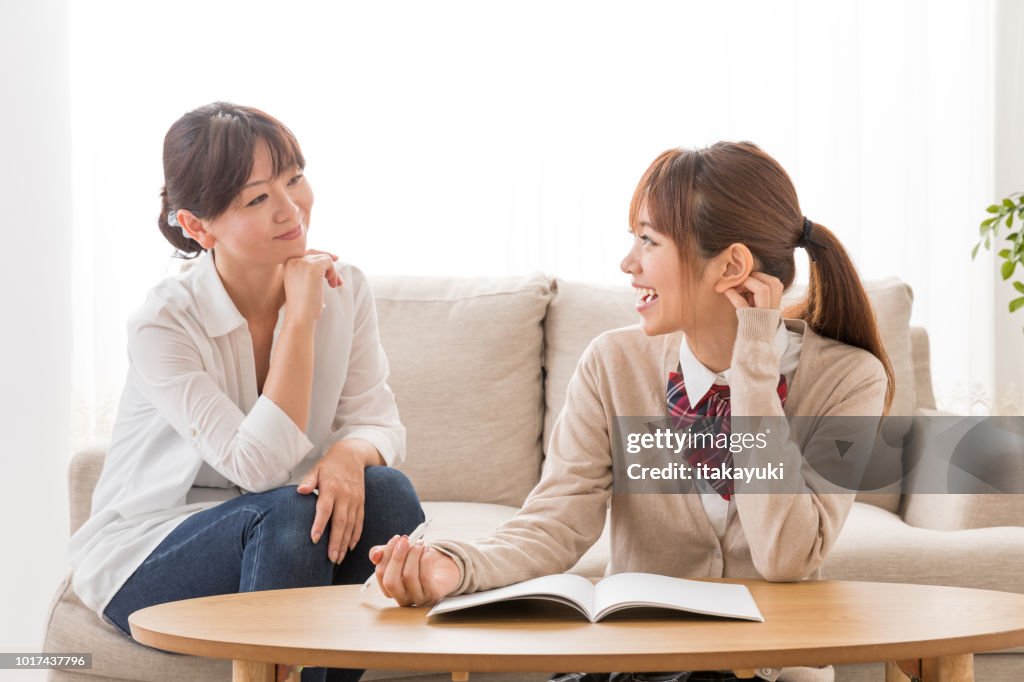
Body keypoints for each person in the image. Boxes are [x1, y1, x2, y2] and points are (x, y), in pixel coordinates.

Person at [367, 142, 894, 682]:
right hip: (640, 669)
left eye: (649, 240)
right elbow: (556, 522)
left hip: (772, 672)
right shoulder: (612, 364)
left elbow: (786, 557)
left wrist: (754, 369)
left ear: (732, 265)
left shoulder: (849, 379)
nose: (628, 263)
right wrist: (455, 566)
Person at [68, 102, 424, 682]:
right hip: (150, 554)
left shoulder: (348, 287)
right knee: (288, 512)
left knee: (387, 492)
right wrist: (301, 321)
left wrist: (346, 454)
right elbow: (256, 468)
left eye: (294, 178)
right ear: (198, 226)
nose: (291, 209)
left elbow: (379, 422)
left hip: (287, 539)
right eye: (257, 199)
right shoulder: (164, 323)